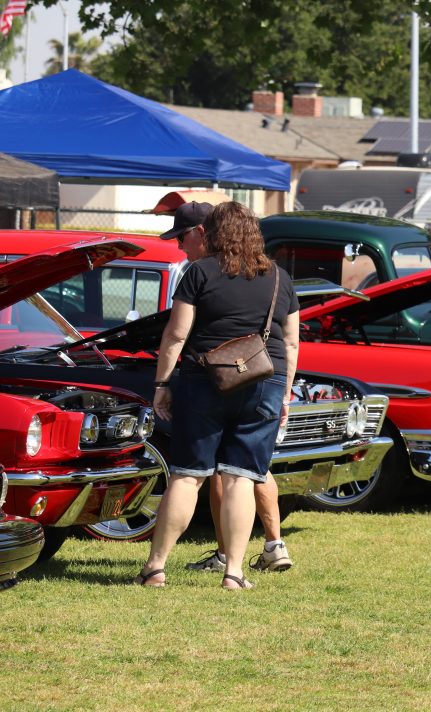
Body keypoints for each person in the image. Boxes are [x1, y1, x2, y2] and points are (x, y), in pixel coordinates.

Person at [134, 202, 300, 588]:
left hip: (203, 380)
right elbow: (290, 344)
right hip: (264, 382)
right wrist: (286, 395)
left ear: (212, 234)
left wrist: (162, 386)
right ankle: (234, 573)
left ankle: (156, 567)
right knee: (242, 477)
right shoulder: (280, 277)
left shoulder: (199, 272)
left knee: (187, 476)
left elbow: (176, 335)